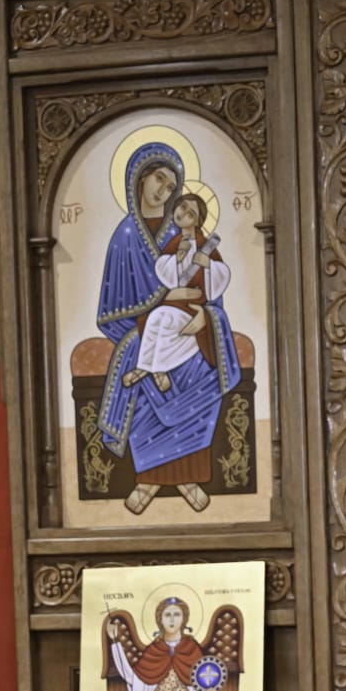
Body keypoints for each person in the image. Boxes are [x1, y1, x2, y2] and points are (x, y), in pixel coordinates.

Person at [96, 141, 241, 516]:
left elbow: (211, 292)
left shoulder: (190, 235)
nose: (164, 189)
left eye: (172, 185)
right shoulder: (125, 237)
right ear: (140, 178)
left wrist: (206, 319)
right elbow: (112, 310)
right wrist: (160, 305)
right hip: (142, 333)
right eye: (159, 178)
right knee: (143, 374)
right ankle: (148, 480)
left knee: (201, 370)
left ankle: (189, 477)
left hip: (191, 327)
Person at [124, 193, 228, 396]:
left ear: (197, 221)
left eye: (191, 213)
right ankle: (147, 367)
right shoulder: (174, 243)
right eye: (182, 206)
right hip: (173, 304)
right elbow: (164, 275)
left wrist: (208, 265)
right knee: (155, 317)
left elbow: (221, 277)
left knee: (165, 320)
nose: (183, 213)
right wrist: (177, 258)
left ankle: (155, 369)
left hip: (192, 307)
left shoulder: (205, 246)